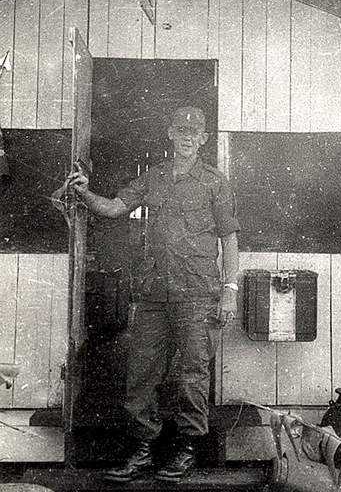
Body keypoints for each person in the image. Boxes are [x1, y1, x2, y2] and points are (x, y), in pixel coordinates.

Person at [68, 106, 239, 482]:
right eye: (181, 131)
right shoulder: (153, 178)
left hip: (198, 293)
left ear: (204, 139)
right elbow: (114, 208)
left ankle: (186, 450)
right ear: (170, 134)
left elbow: (229, 238)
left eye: (195, 133)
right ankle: (142, 450)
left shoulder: (215, 181)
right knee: (141, 372)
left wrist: (230, 290)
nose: (187, 138)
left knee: (192, 375)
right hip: (155, 296)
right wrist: (84, 192)